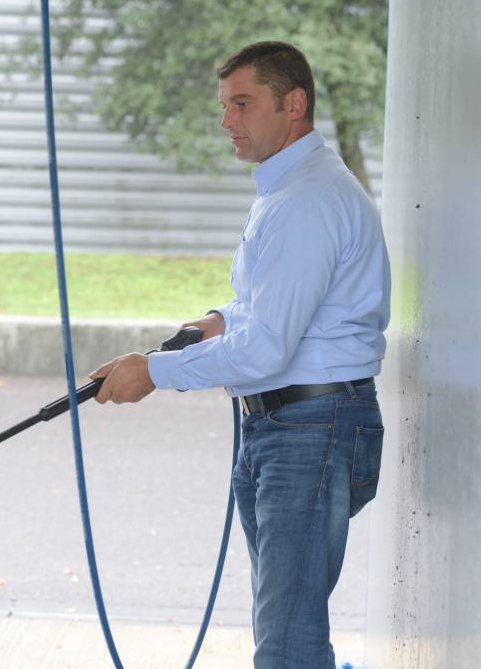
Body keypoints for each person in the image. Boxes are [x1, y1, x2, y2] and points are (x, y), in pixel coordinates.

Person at [88, 41, 390, 668]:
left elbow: (267, 349)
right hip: (291, 427)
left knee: (286, 642)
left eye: (244, 104)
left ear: (295, 104)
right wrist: (219, 320)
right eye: (225, 105)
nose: (228, 120)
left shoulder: (307, 198)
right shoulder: (290, 190)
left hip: (310, 428)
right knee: (289, 625)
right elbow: (276, 307)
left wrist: (154, 371)